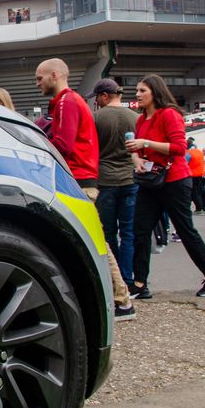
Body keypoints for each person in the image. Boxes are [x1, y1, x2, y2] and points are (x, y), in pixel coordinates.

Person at [35, 60, 134, 320]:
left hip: (77, 180)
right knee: (96, 241)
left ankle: (121, 299)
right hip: (85, 180)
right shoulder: (71, 102)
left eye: (40, 78)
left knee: (95, 243)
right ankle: (120, 298)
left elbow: (63, 145)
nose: (38, 83)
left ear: (55, 76)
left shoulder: (67, 102)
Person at [126, 74, 205, 298]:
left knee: (185, 229)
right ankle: (140, 284)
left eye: (143, 91)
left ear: (155, 92)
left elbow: (180, 148)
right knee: (140, 231)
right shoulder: (142, 119)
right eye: (138, 91)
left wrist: (146, 143)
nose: (138, 95)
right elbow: (137, 151)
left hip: (175, 180)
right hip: (151, 181)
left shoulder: (169, 114)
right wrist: (137, 159)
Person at [90, 78, 138, 291]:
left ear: (104, 96)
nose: (97, 102)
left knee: (108, 233)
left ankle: (115, 281)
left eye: (97, 98)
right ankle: (129, 278)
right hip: (131, 178)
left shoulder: (96, 118)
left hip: (106, 180)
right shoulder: (136, 118)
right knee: (129, 232)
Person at [187, 138, 205, 214]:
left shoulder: (188, 153)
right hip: (200, 174)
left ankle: (199, 208)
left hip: (192, 175)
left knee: (194, 192)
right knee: (200, 191)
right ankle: (203, 207)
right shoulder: (200, 153)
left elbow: (185, 163)